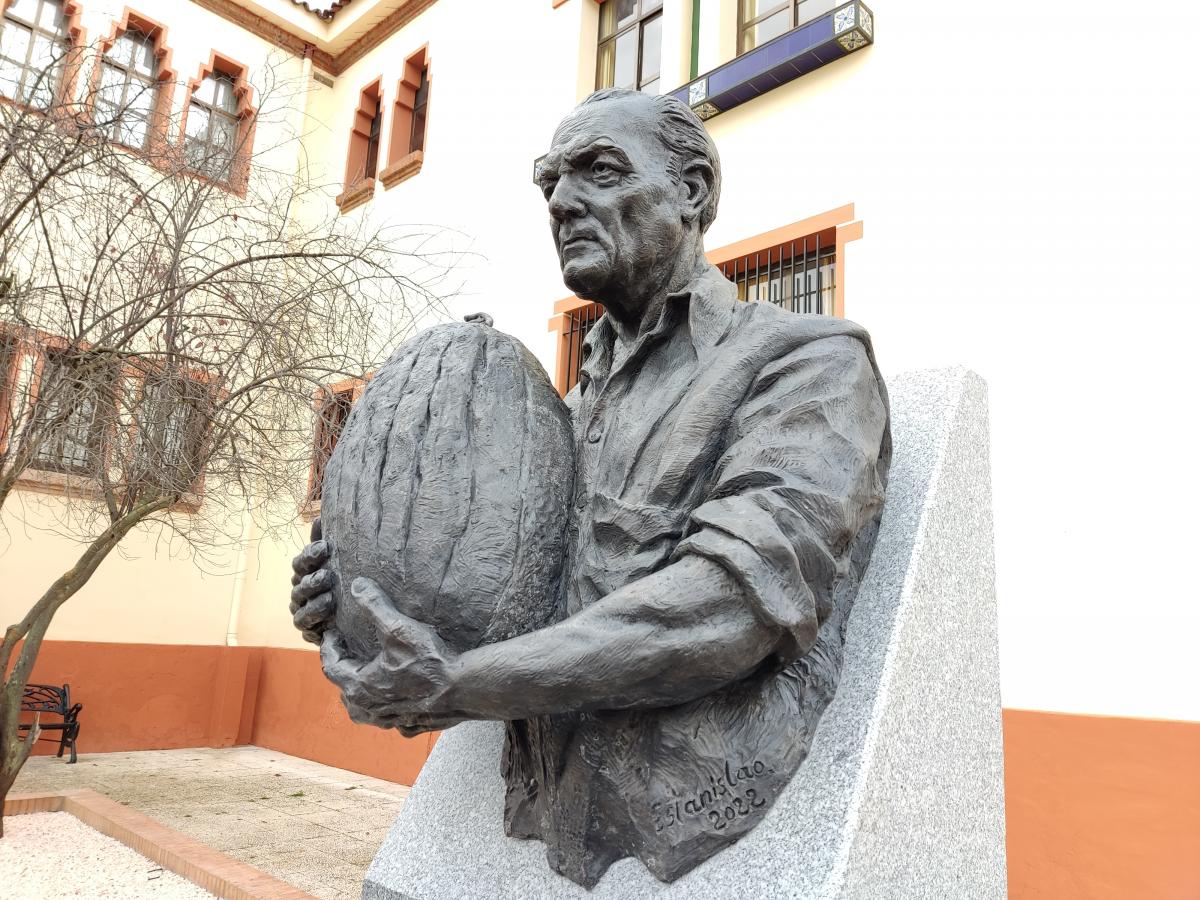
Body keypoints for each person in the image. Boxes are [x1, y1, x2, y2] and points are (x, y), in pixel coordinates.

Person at [290, 89, 890, 888]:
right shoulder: (558, 415)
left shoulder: (807, 364)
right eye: (550, 184)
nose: (564, 202)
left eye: (598, 172)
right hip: (547, 795)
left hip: (688, 804)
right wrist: (366, 609)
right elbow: (506, 601)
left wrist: (458, 685)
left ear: (693, 192)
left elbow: (730, 606)